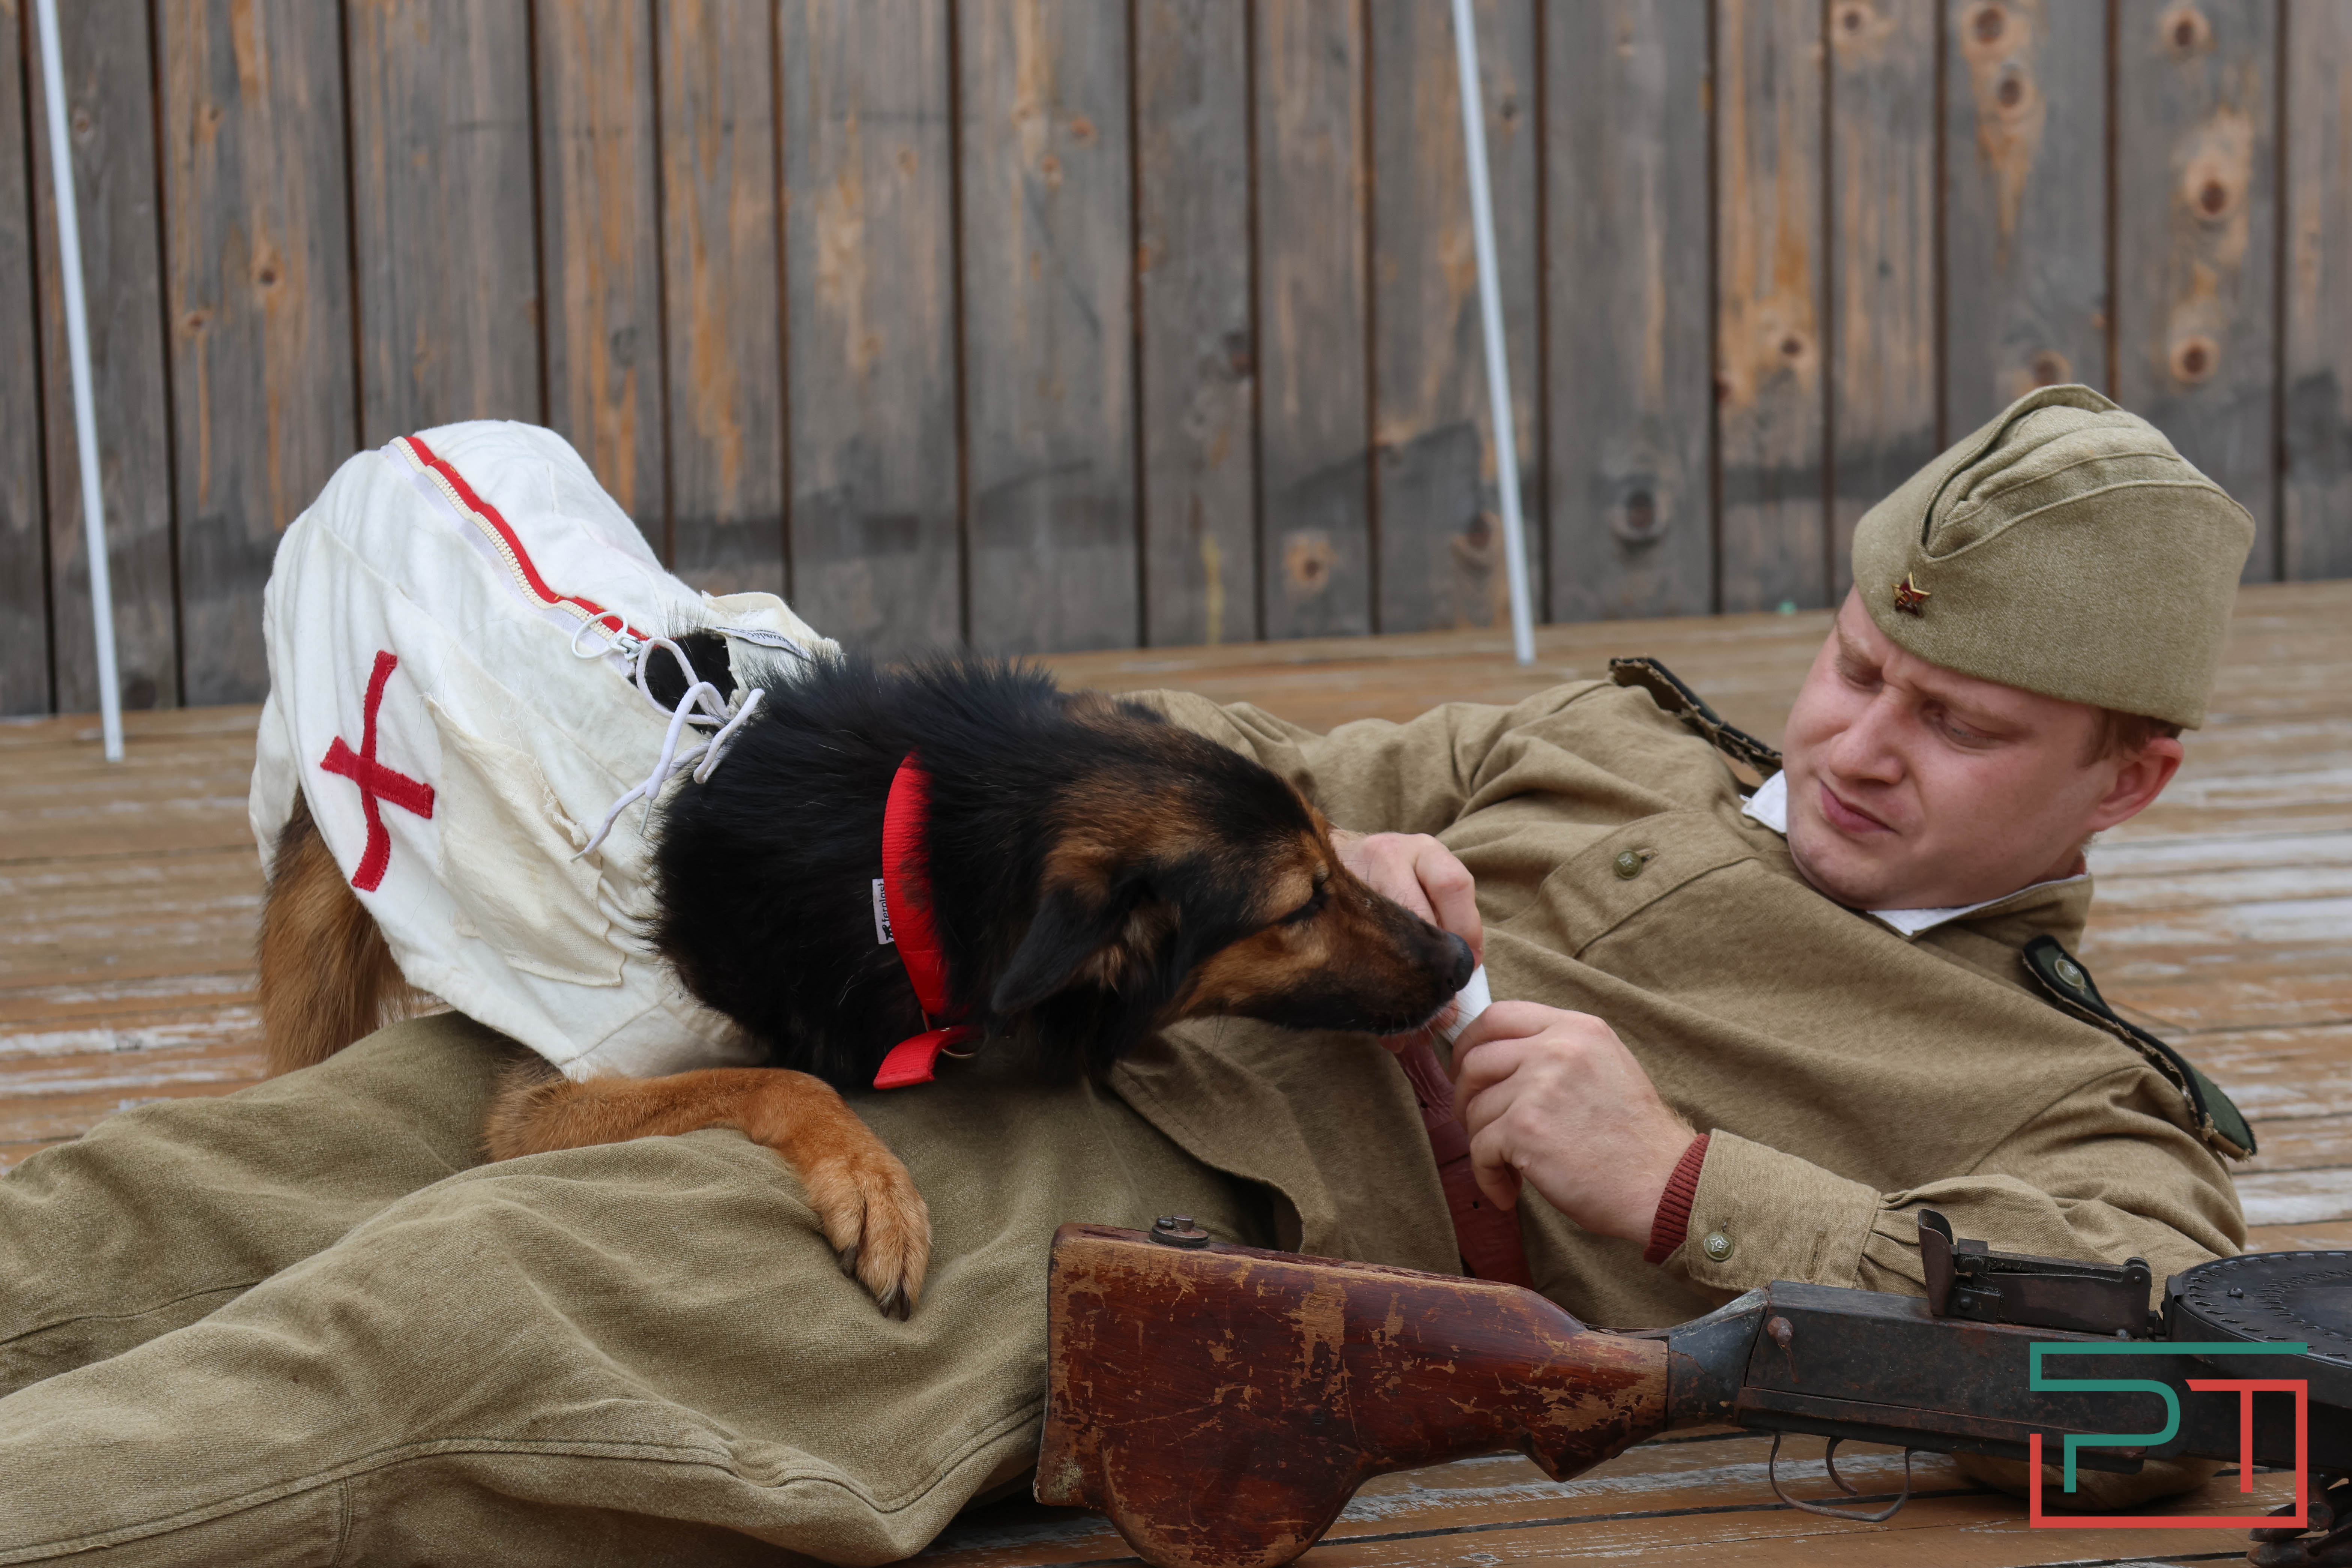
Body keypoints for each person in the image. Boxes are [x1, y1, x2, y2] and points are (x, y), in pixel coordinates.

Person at [0, 387, 2255, 1561]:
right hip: (910, 1011)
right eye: (1863, 660)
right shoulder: (1605, 740)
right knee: (204, 1192)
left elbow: (2191, 1421)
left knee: (444, 1331)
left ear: (2127, 779)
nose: (1855, 736)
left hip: (1141, 1238)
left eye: (1956, 724)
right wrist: (1311, 824)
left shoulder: (2063, 1093)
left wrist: (1689, 1191)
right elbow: (1203, 770)